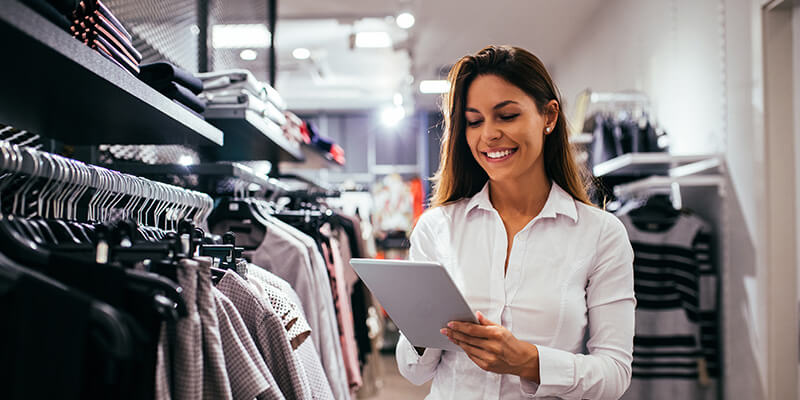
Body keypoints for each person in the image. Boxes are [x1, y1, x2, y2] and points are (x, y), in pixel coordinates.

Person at [396, 45, 635, 399]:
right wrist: (428, 327)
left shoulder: (600, 235)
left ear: (549, 116)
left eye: (506, 116)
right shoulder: (437, 228)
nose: (488, 134)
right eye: (474, 121)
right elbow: (413, 371)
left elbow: (615, 374)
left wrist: (529, 362)